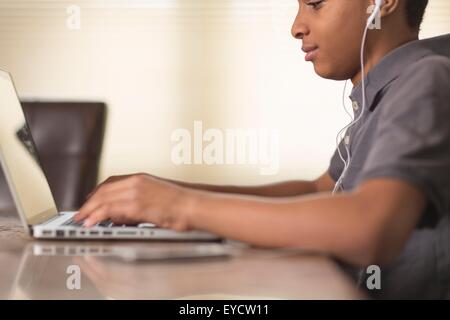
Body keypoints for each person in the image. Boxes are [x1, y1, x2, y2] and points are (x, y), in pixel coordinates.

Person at [74, 0, 450, 298]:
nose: (296, 26)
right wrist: (160, 192)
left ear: (384, 4)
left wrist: (180, 207)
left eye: (315, 4)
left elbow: (371, 227)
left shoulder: (425, 79)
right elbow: (320, 189)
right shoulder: (384, 94)